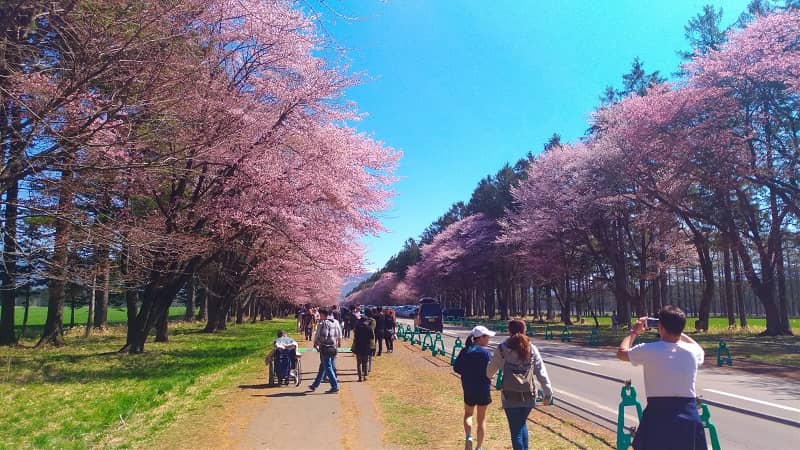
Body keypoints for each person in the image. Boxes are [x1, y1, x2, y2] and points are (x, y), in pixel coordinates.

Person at [616, 305, 707, 450]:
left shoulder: (648, 349)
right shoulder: (694, 351)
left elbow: (621, 352)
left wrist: (634, 332)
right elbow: (695, 345)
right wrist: (677, 330)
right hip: (688, 414)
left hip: (657, 415)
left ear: (661, 327)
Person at [486, 320, 553, 450]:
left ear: (509, 331)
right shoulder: (532, 349)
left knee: (516, 429)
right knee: (521, 424)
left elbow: (490, 371)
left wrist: (489, 375)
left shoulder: (502, 348)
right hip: (529, 394)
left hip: (510, 395)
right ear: (524, 330)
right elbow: (541, 373)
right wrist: (548, 393)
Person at [454, 325, 496, 450]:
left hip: (468, 387)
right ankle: (479, 447)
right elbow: (490, 370)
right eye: (487, 337)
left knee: (468, 414)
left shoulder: (465, 350)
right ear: (481, 338)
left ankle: (468, 437)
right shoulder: (485, 353)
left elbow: (456, 367)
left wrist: (467, 373)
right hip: (483, 388)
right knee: (481, 419)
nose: (488, 339)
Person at [308, 308, 342, 393]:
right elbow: (339, 334)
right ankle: (315, 385)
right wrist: (338, 342)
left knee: (328, 367)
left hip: (325, 347)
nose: (319, 316)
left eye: (320, 314)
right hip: (333, 347)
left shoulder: (324, 323)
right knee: (323, 366)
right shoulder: (335, 322)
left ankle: (335, 386)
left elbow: (324, 335)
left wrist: (317, 343)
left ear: (323, 314)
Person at [352, 314, 375, 381]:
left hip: (358, 346)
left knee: (359, 363)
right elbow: (372, 337)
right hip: (366, 346)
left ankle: (360, 377)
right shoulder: (369, 328)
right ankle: (365, 376)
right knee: (365, 362)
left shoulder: (357, 328)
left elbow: (355, 337)